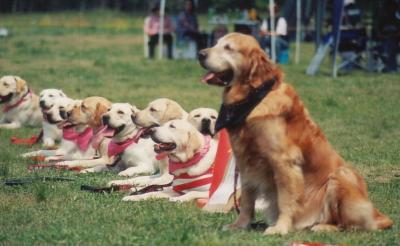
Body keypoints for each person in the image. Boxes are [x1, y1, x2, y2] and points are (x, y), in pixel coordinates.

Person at [373, 0, 400, 72]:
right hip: (392, 34)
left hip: (394, 32)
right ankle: (392, 67)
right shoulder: (387, 5)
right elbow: (381, 22)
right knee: (391, 43)